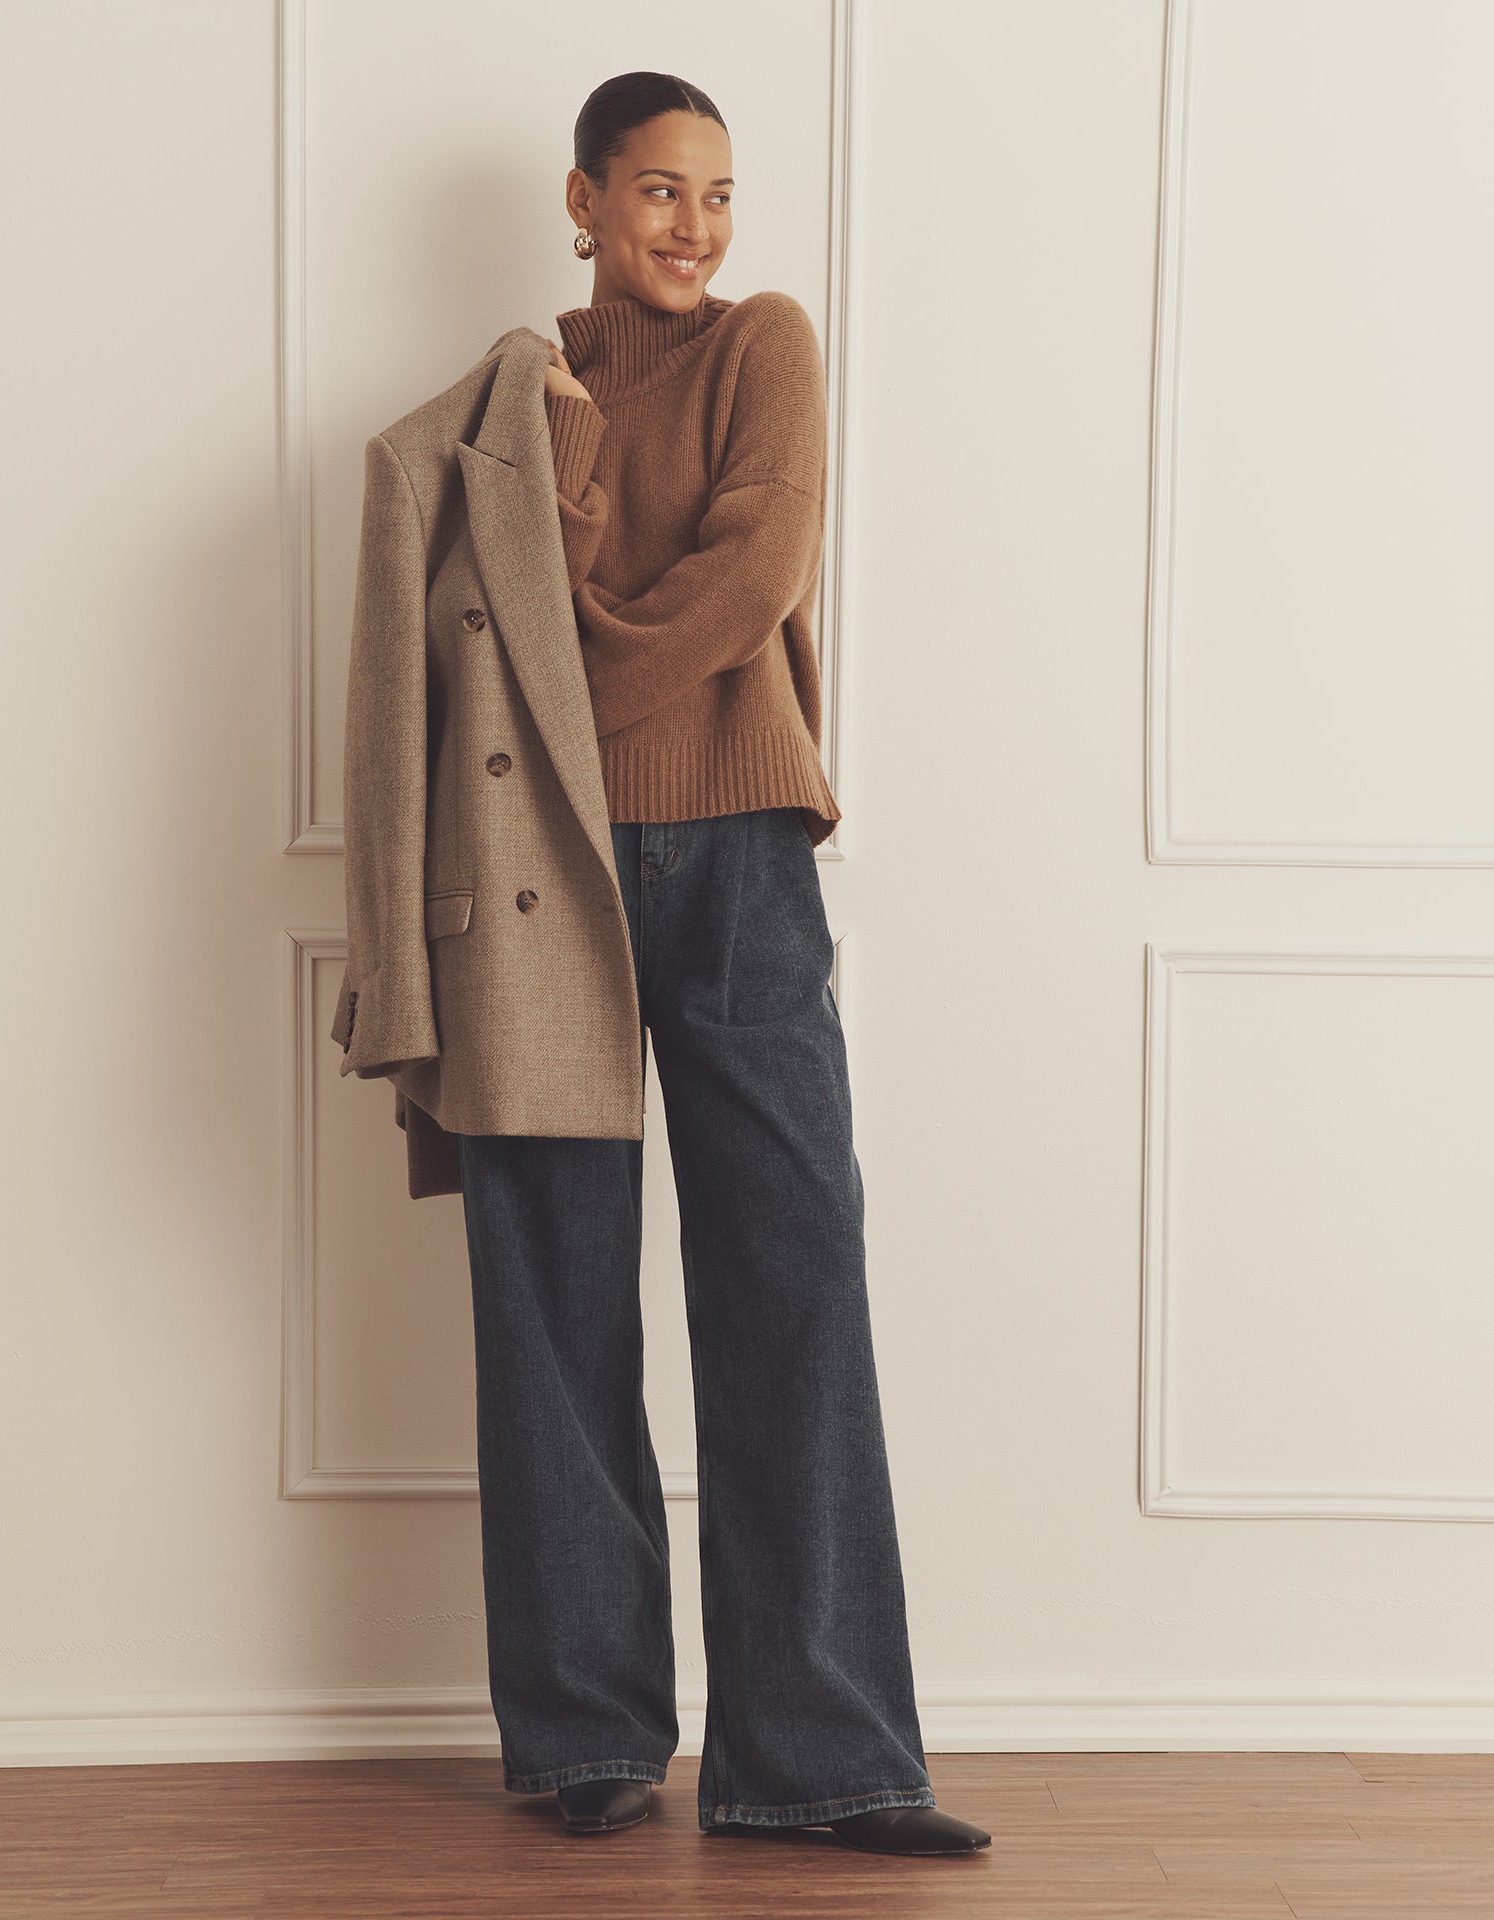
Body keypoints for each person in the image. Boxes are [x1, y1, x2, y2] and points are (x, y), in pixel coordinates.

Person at [456, 69, 992, 1860]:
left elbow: (753, 569)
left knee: (792, 1270)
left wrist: (568, 693)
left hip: (741, 853)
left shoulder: (768, 342)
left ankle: (825, 1758)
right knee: (554, 1283)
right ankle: (586, 1733)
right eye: (659, 191)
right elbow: (523, 597)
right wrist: (552, 430)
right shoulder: (525, 393)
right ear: (584, 201)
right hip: (548, 869)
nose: (695, 226)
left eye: (718, 193)